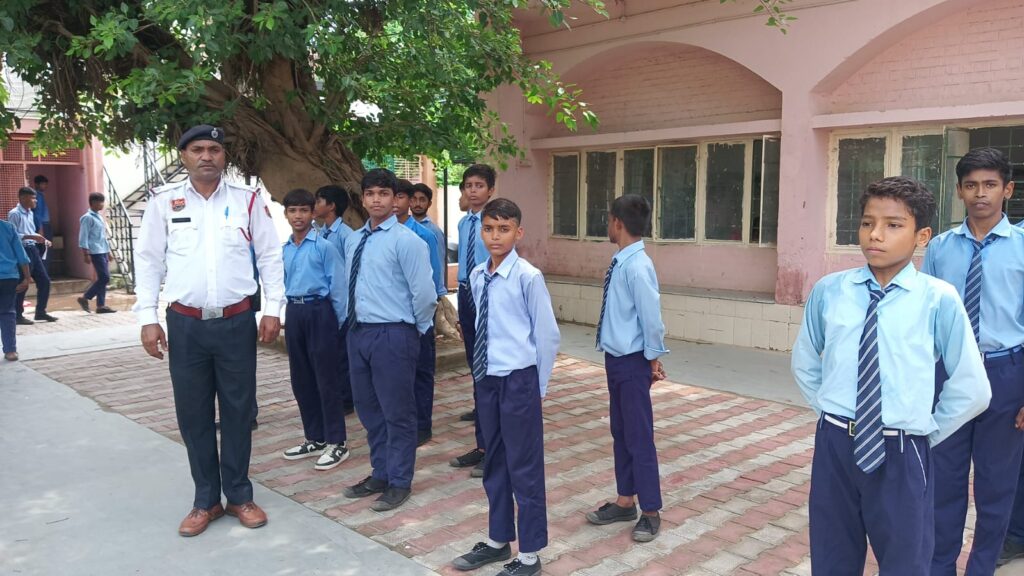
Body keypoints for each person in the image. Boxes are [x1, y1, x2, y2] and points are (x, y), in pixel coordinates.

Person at [791, 175, 991, 574]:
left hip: (902, 449)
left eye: (893, 225)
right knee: (831, 555)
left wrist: (924, 432)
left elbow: (972, 386)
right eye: (867, 223)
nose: (875, 235)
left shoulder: (938, 299)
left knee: (906, 560)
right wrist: (832, 412)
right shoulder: (831, 290)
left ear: (922, 237)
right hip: (835, 446)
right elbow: (805, 361)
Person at [134, 124, 284, 537]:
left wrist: (273, 309)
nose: (206, 156)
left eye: (214, 149)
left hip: (237, 321)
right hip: (185, 324)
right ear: (183, 155)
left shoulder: (247, 200)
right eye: (197, 149)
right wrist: (147, 317)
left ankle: (238, 495)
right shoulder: (164, 201)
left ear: (224, 156)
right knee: (193, 413)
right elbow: (148, 260)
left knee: (238, 410)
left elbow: (270, 256)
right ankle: (205, 500)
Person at [922, 147, 1024, 576]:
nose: (980, 193)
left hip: (1006, 373)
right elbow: (925, 319)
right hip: (949, 373)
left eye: (990, 185)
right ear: (960, 191)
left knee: (996, 484)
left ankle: (982, 568)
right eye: (971, 185)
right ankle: (939, 567)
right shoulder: (940, 248)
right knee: (942, 481)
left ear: (1007, 190)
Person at [451, 198, 559, 576]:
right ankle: (498, 540)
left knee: (524, 467)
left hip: (519, 381)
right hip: (488, 379)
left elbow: (547, 336)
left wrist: (537, 387)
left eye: (504, 229)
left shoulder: (528, 277)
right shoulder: (478, 275)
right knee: (494, 461)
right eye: (489, 229)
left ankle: (529, 555)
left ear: (518, 232)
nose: (495, 236)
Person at [341, 168, 436, 512]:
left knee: (398, 412)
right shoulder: (354, 240)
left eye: (384, 193)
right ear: (363, 199)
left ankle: (399, 481)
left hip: (394, 334)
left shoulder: (407, 241)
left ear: (396, 199)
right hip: (359, 333)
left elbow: (424, 294)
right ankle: (380, 473)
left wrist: (413, 330)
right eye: (370, 194)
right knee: (369, 410)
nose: (377, 200)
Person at [587, 194, 668, 543]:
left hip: (633, 362)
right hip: (616, 360)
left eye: (609, 220)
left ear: (617, 223)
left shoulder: (637, 266)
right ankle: (625, 500)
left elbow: (652, 318)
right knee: (621, 432)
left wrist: (652, 358)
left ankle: (650, 510)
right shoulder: (622, 261)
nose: (608, 226)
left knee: (639, 436)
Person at [280, 188, 350, 471]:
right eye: (292, 211)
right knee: (301, 378)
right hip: (294, 312)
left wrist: (339, 324)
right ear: (286, 214)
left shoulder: (324, 247)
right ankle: (315, 437)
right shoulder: (285, 249)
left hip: (320, 311)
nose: (298, 216)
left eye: (304, 210)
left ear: (312, 214)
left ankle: (337, 441)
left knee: (326, 378)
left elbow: (339, 288)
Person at [450, 164, 496, 479]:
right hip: (466, 294)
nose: (473, 190)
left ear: (490, 190)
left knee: (489, 372)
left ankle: (493, 448)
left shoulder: (494, 223)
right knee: (476, 372)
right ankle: (481, 445)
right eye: (468, 185)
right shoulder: (464, 222)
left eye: (479, 185)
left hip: (487, 294)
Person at [395, 179, 446, 446]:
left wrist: (428, 314)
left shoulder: (425, 235)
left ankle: (422, 425)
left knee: (421, 370)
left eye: (401, 197)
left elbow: (434, 278)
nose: (396, 202)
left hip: (420, 312)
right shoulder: (375, 235)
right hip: (392, 315)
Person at [314, 184, 356, 415]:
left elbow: (349, 273)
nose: (315, 205)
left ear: (331, 206)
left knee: (342, 355)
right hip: (325, 303)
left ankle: (346, 400)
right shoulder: (320, 232)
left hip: (343, 303)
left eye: (319, 201)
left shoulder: (346, 235)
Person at [8, 187, 55, 324]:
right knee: (23, 283)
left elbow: (31, 231)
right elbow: (11, 235)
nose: (35, 201)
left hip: (33, 249)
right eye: (33, 198)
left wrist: (42, 239)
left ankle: (40, 312)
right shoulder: (15, 214)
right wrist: (31, 237)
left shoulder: (30, 213)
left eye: (35, 198)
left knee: (44, 281)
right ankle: (17, 315)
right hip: (22, 250)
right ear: (23, 198)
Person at [77, 192, 116, 314]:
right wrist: (86, 253)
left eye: (103, 202)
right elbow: (83, 237)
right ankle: (85, 297)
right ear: (93, 203)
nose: (102, 204)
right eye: (100, 202)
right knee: (104, 277)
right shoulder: (87, 218)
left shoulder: (99, 216)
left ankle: (101, 305)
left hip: (102, 250)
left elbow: (102, 237)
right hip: (95, 251)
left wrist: (108, 251)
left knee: (102, 278)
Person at [0, 218, 31, 361]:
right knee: (7, 312)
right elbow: (21, 255)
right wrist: (27, 277)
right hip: (9, 276)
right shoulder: (8, 227)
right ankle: (10, 350)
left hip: (8, 277)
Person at [410, 182, 448, 272]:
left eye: (422, 200)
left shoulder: (434, 231)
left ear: (429, 204)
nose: (417, 203)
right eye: (414, 199)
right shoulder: (403, 227)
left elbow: (439, 264)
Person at [32, 175, 52, 256]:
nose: (45, 186)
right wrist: (40, 228)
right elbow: (38, 213)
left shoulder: (39, 195)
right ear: (36, 184)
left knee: (44, 247)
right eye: (43, 184)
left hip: (43, 225)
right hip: (43, 225)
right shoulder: (38, 195)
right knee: (46, 247)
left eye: (46, 184)